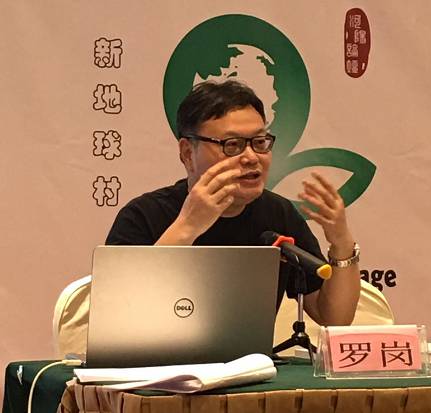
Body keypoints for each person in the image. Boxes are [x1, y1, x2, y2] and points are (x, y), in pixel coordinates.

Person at [106, 80, 360, 326]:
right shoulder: (143, 215)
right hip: (153, 357)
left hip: (250, 357)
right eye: (233, 145)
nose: (251, 157)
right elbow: (117, 314)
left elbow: (333, 318)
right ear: (187, 153)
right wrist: (187, 227)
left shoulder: (278, 214)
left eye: (259, 143)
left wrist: (342, 243)